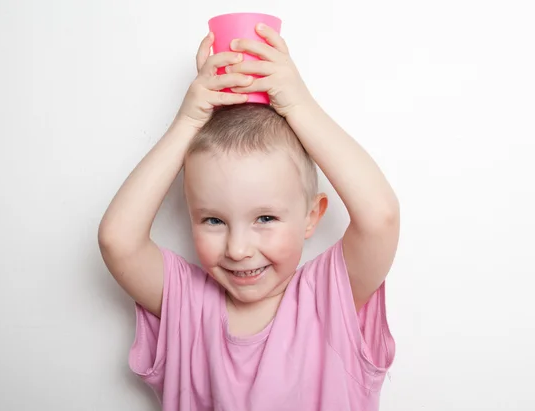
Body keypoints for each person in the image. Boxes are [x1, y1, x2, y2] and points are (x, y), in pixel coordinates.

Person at [98, 23, 400, 411]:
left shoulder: (328, 299)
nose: (238, 249)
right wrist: (188, 123)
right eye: (213, 221)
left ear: (312, 217)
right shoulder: (187, 306)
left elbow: (381, 218)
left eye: (265, 219)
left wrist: (298, 106)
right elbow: (117, 240)